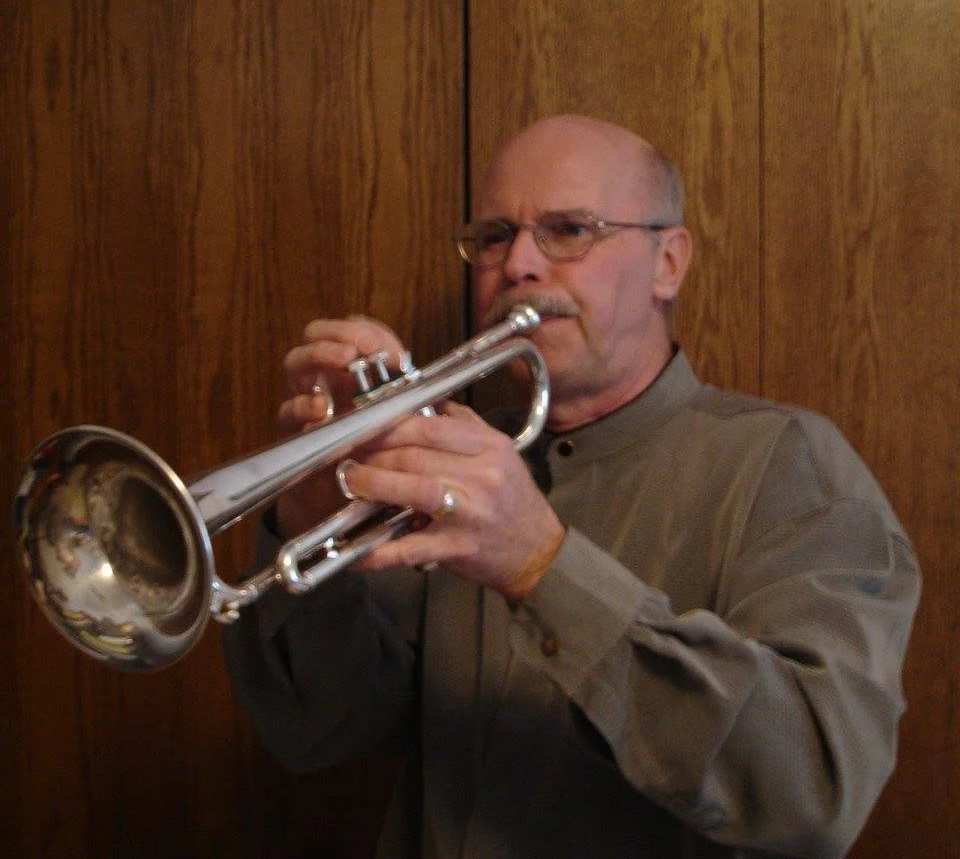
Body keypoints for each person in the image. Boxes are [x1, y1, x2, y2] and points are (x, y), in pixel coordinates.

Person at [222, 115, 920, 858]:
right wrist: (310, 511)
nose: (517, 263)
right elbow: (317, 730)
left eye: (568, 230)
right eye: (494, 235)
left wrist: (542, 567)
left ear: (668, 263)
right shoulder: (462, 462)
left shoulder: (787, 463)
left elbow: (814, 789)